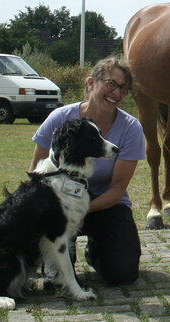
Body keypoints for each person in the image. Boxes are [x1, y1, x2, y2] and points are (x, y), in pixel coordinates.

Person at [29, 56, 145, 285]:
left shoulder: (131, 128)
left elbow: (117, 188)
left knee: (123, 273)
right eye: (111, 84)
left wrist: (81, 210)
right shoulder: (60, 118)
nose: (117, 93)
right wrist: (59, 212)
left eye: (123, 88)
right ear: (91, 83)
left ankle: (98, 251)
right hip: (59, 206)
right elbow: (35, 173)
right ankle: (48, 254)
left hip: (105, 204)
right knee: (56, 280)